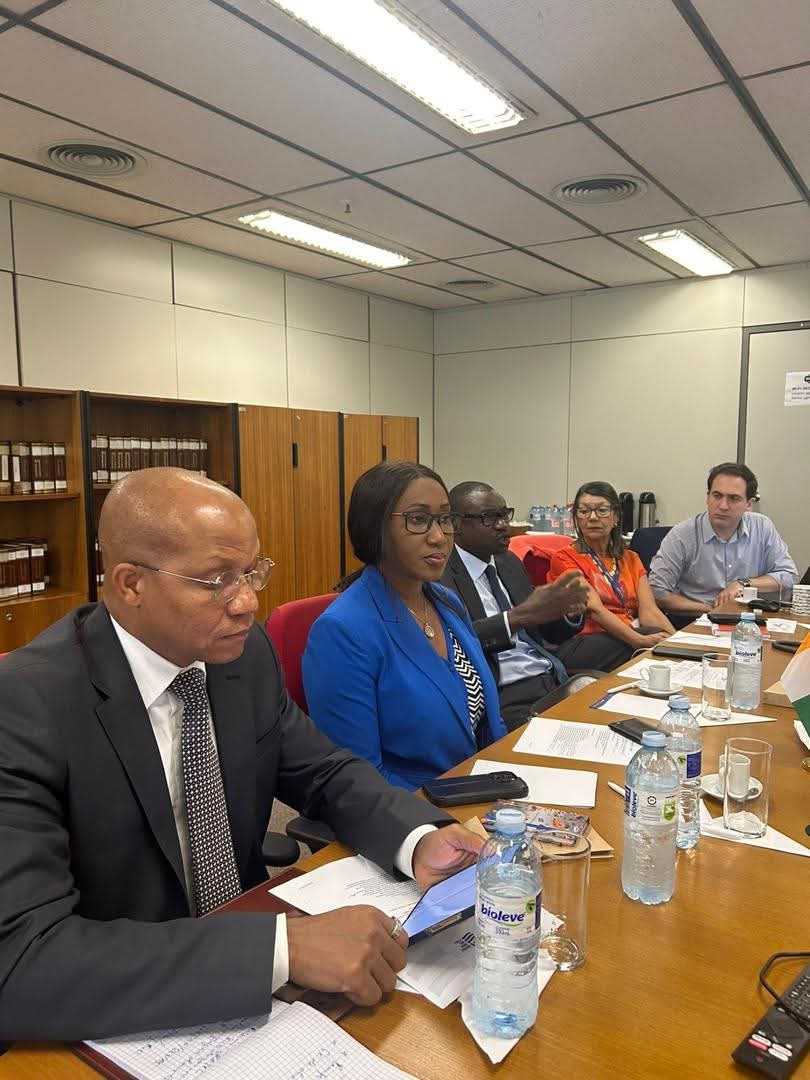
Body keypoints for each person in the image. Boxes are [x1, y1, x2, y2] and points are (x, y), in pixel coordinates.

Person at [0, 468, 483, 1042]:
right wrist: (278, 950)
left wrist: (418, 838)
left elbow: (323, 771)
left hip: (261, 976)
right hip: (123, 1002)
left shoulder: (242, 653)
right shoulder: (27, 706)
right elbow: (20, 959)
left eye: (252, 572)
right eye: (216, 581)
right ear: (131, 584)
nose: (248, 602)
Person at [303, 462, 506, 791]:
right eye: (418, 520)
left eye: (444, 519)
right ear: (375, 528)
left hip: (481, 786)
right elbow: (358, 778)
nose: (438, 537)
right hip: (414, 806)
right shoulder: (342, 631)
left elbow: (487, 722)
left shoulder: (446, 602)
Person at [443, 482, 593, 732]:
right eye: (489, 517)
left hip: (549, 676)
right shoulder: (442, 573)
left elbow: (543, 631)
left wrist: (566, 611)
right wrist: (516, 617)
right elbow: (456, 641)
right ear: (455, 524)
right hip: (503, 693)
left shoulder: (508, 561)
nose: (503, 525)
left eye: (505, 514)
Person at [547, 481, 675, 670]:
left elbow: (649, 611)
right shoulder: (564, 558)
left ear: (616, 516)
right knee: (654, 643)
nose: (592, 517)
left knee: (662, 638)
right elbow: (595, 611)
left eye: (601, 510)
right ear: (576, 518)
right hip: (583, 643)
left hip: (628, 636)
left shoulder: (631, 558)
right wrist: (639, 641)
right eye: (584, 511)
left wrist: (679, 642)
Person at [649, 462, 798, 618]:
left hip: (748, 619)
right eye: (717, 496)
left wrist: (743, 583)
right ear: (707, 497)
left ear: (748, 504)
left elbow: (789, 576)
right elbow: (657, 591)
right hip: (696, 618)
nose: (723, 506)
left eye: (734, 498)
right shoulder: (682, 535)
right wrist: (710, 609)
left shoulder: (762, 527)